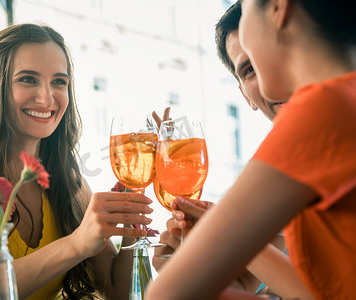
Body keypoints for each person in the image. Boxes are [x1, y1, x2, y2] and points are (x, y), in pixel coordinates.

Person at [0, 23, 154, 300]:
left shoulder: (70, 186)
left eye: (59, 82)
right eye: (28, 79)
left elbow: (121, 293)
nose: (46, 98)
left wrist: (131, 221)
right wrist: (77, 244)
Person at [146, 0, 356, 298]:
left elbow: (166, 295)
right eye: (246, 71)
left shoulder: (320, 112)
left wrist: (201, 265)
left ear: (277, 8)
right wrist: (239, 249)